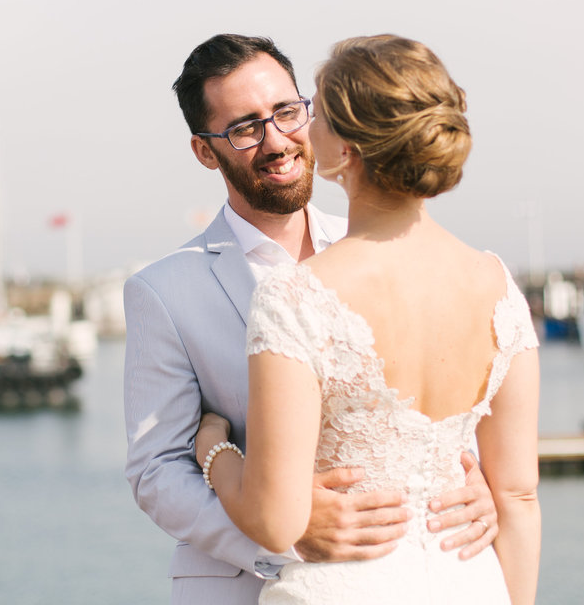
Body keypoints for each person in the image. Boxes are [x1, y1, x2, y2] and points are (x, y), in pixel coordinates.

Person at [124, 34, 499, 605]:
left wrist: (478, 489)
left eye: (286, 111)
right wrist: (286, 535)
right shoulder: (163, 291)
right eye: (245, 127)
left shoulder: (387, 248)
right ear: (205, 150)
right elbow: (155, 471)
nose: (276, 140)